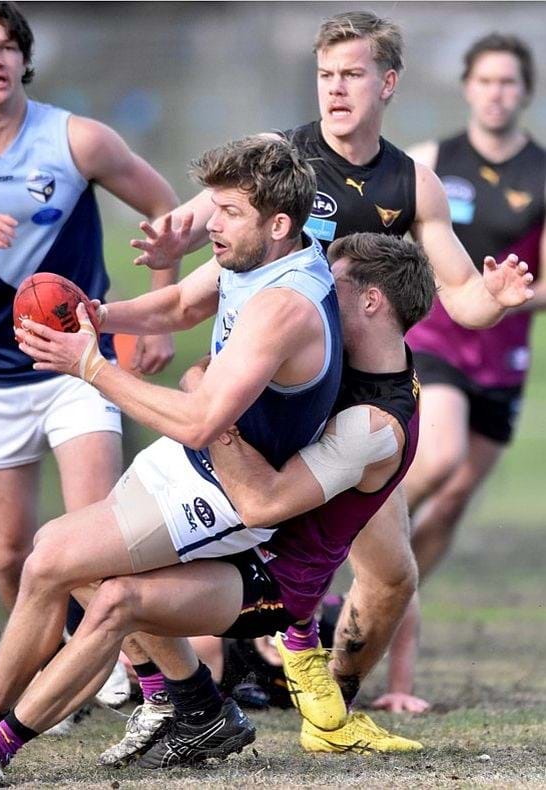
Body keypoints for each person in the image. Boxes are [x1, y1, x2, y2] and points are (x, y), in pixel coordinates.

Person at [127, 11, 536, 743]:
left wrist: (495, 299)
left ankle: (323, 702)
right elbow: (187, 232)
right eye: (325, 75)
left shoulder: (412, 182)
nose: (336, 88)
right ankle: (167, 679)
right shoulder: (276, 157)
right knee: (225, 546)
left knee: (392, 578)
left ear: (388, 82)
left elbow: (462, 296)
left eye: (352, 74)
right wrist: (164, 257)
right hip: (274, 399)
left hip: (355, 409)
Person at [0, 233, 431, 785]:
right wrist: (202, 393)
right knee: (69, 557)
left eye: (334, 288)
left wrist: (211, 418)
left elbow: (261, 501)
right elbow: (205, 369)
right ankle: (192, 706)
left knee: (114, 598)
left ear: (372, 300)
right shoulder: (343, 356)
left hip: (270, 577)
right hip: (234, 524)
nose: (320, 299)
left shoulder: (375, 424)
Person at [0, 132, 342, 750]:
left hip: (230, 486)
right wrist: (99, 316)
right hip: (194, 460)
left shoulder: (283, 305)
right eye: (214, 207)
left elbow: (200, 421)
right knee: (78, 568)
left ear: (279, 224)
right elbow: (177, 306)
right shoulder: (253, 257)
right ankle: (195, 705)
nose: (211, 225)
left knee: (51, 561)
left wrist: (89, 365)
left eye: (229, 212)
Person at [0, 2, 184, 718]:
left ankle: (142, 680)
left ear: (23, 58)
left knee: (95, 537)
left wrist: (157, 311)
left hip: (78, 365)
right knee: (10, 555)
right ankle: (56, 671)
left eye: (6, 46)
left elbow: (165, 210)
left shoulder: (77, 140)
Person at [378, 33, 546, 714]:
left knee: (450, 502)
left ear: (525, 92)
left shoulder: (543, 173)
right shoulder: (429, 162)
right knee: (438, 458)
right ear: (468, 87)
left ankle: (383, 601)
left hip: (503, 360)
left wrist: (502, 295)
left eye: (508, 82)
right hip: (437, 342)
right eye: (485, 81)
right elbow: (382, 235)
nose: (496, 93)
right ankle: (352, 548)